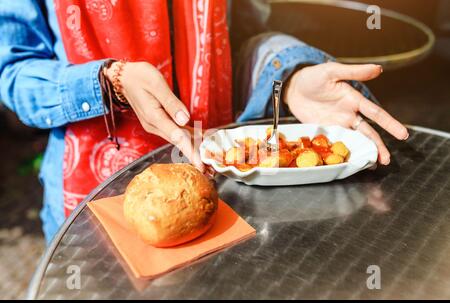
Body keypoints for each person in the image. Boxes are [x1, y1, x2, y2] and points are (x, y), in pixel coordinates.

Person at [0, 0, 408, 243]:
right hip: (94, 209)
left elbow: (244, 36)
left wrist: (289, 77)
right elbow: (13, 73)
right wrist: (110, 81)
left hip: (223, 190)